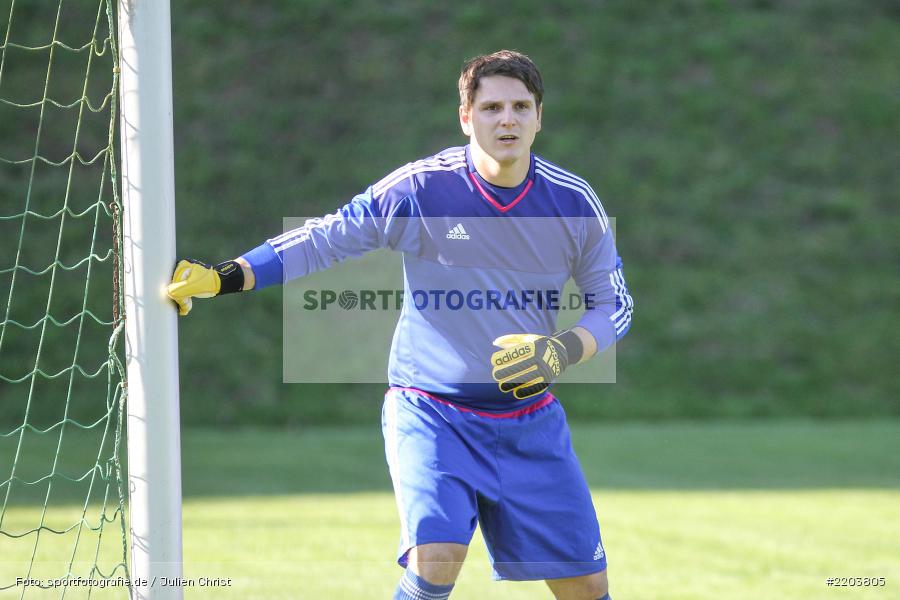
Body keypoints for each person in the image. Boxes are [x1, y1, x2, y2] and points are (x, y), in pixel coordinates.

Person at [168, 49, 632, 600]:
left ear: (539, 117)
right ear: (466, 117)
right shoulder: (421, 189)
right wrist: (228, 276)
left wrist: (561, 350)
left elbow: (614, 306)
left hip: (529, 421)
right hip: (432, 411)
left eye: (519, 107)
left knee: (586, 584)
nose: (506, 119)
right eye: (490, 108)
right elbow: (327, 236)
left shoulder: (574, 203)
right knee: (437, 557)